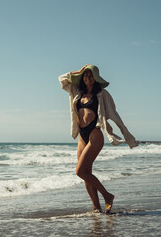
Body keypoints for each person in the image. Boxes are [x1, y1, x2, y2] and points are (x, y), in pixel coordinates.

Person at [58, 64, 138, 214]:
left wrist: (125, 134)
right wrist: (79, 71)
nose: (88, 78)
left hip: (95, 133)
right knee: (86, 173)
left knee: (80, 171)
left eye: (90, 75)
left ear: (95, 78)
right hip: (82, 136)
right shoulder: (77, 91)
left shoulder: (102, 94)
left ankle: (107, 196)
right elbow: (62, 79)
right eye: (85, 76)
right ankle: (96, 207)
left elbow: (114, 114)